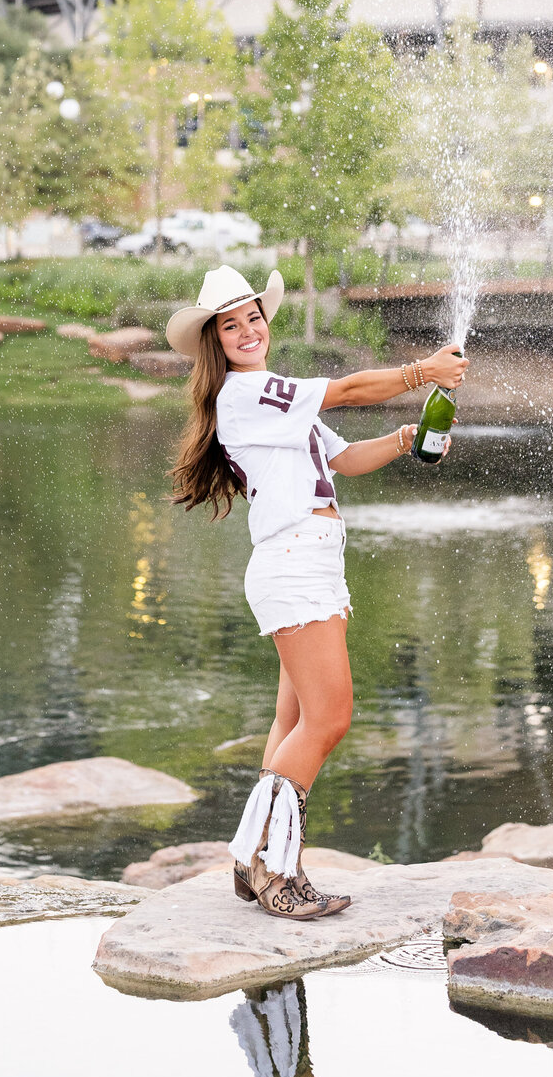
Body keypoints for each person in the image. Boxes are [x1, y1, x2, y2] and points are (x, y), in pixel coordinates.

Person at [167, 264, 468, 921]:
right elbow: (351, 389)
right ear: (214, 341)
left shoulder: (273, 400)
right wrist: (422, 372)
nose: (248, 329)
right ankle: (271, 869)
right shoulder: (248, 395)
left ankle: (261, 863)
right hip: (294, 563)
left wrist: (406, 440)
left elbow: (342, 457)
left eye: (254, 317)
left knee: (293, 722)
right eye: (231, 323)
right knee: (329, 720)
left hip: (314, 564)